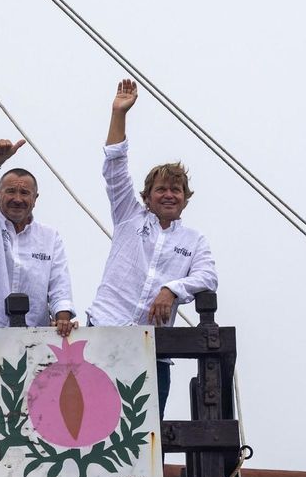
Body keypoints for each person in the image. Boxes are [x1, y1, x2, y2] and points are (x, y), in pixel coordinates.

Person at [85, 80, 217, 415]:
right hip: (103, 333)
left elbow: (208, 277)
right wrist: (118, 113)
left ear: (186, 200)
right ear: (147, 196)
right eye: (161, 189)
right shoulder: (130, 216)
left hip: (153, 351)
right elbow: (115, 167)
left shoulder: (194, 241)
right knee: (89, 425)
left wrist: (171, 289)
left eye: (177, 190)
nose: (169, 194)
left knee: (145, 435)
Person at [0, 138, 75, 421]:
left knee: (33, 422)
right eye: (10, 191)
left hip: (34, 344)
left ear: (36, 198)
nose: (17, 198)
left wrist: (62, 316)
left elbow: (59, 284)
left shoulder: (51, 236)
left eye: (25, 193)